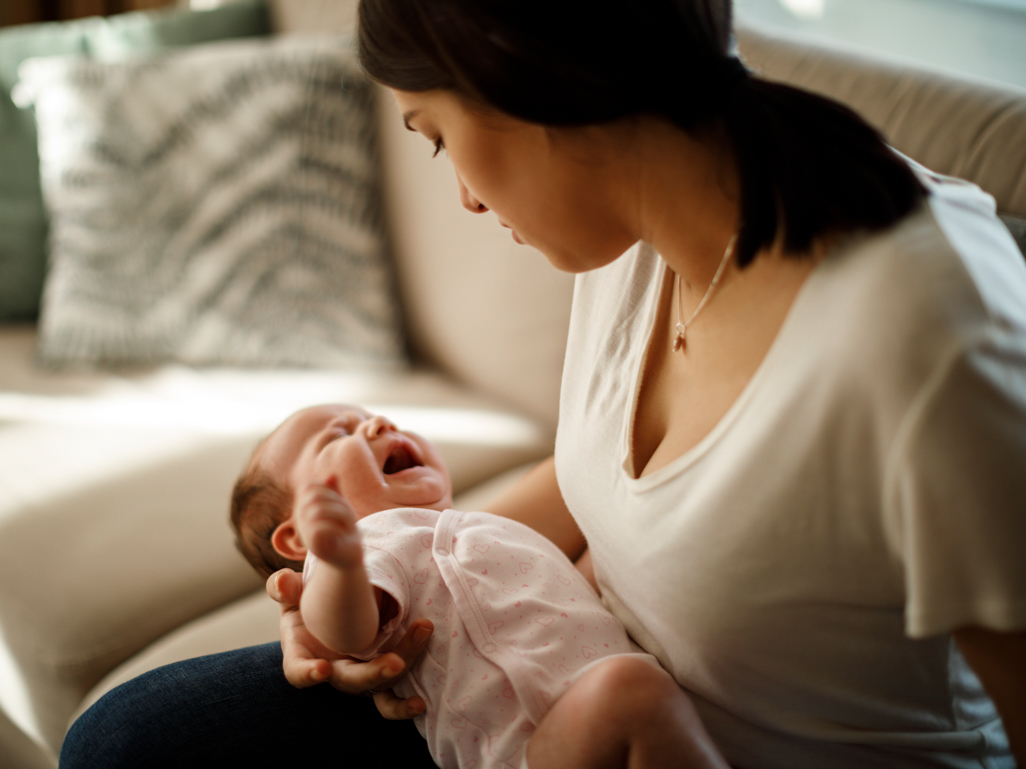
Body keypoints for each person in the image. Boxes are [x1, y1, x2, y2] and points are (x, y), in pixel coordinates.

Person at [60, 0, 1026, 767]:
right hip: (566, 707)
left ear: (516, 76)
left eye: (435, 135)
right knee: (126, 738)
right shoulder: (628, 229)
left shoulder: (923, 328)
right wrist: (345, 589)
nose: (469, 198)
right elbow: (622, 480)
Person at [229, 402, 695, 768]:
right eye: (339, 434)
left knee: (637, 695)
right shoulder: (372, 544)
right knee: (631, 690)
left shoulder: (476, 533)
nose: (379, 424)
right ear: (297, 537)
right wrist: (335, 563)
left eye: (373, 417)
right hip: (526, 746)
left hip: (594, 724)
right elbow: (347, 633)